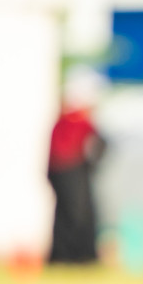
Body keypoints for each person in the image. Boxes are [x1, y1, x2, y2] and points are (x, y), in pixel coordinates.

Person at [45, 75, 104, 264]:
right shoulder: (76, 121)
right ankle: (71, 255)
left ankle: (74, 255)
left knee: (71, 214)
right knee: (74, 214)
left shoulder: (65, 122)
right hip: (71, 171)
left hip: (68, 172)